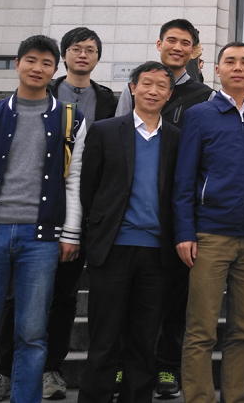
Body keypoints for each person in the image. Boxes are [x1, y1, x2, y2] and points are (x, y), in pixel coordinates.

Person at [0, 35, 86, 403]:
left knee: (32, 334)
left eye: (46, 63)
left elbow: (73, 179)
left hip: (41, 239)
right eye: (31, 60)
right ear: (17, 63)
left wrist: (70, 233)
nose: (37, 68)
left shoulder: (70, 119)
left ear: (55, 70)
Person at [0, 27, 115, 402]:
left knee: (64, 296)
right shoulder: (44, 91)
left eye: (91, 50)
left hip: (83, 210)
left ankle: (51, 369)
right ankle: (2, 369)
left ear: (98, 58)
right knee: (16, 295)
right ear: (64, 56)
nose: (83, 55)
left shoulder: (108, 99)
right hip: (35, 207)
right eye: (76, 48)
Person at [175, 42, 244, 403]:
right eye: (230, 61)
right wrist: (185, 231)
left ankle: (235, 396)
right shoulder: (199, 115)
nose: (238, 67)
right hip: (210, 235)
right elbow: (184, 178)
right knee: (201, 329)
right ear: (217, 70)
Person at [115, 19, 213, 399]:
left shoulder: (203, 95)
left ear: (194, 50)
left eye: (185, 43)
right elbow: (118, 137)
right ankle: (125, 365)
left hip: (180, 204)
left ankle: (168, 366)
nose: (177, 47)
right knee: (128, 297)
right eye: (171, 40)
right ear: (159, 44)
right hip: (136, 204)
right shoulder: (139, 84)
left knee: (175, 294)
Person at [77, 62, 181, 403]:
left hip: (157, 255)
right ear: (133, 88)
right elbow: (89, 188)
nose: (153, 91)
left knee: (145, 340)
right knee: (104, 338)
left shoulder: (176, 138)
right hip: (113, 249)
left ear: (169, 94)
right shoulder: (105, 131)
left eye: (161, 86)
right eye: (146, 83)